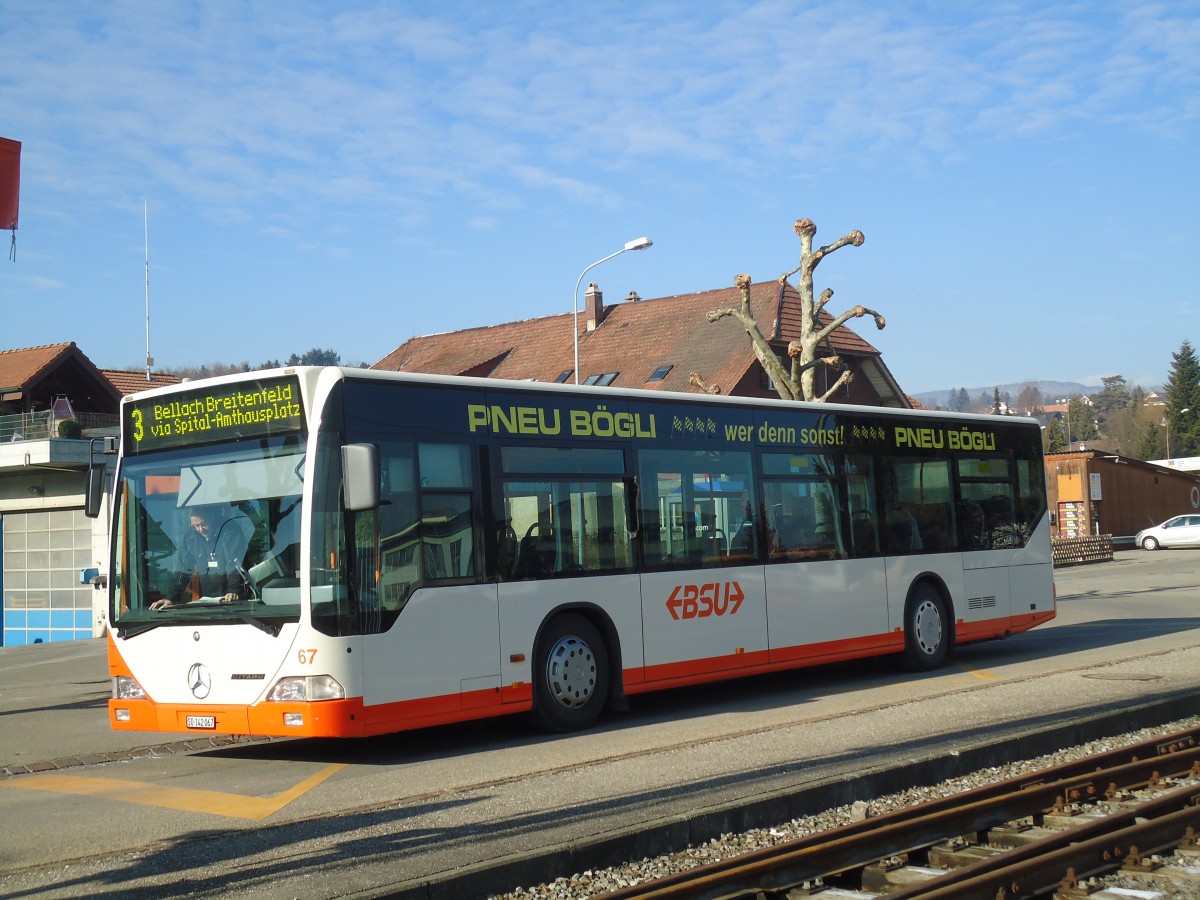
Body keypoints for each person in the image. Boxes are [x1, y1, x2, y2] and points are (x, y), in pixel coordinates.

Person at [151, 505, 252, 609]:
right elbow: (182, 570)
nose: (200, 529)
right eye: (196, 526)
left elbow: (235, 564)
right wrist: (171, 598)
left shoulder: (230, 531)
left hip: (235, 600)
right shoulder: (191, 536)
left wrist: (232, 591)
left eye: (204, 524)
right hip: (208, 600)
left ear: (212, 518)